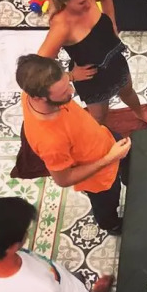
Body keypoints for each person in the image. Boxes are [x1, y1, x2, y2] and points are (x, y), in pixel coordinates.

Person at [16, 54, 130, 233]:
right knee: (107, 203)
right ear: (39, 98)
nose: (71, 91)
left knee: (130, 162)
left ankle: (130, 180)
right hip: (99, 176)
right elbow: (63, 179)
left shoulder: (31, 88)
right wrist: (110, 158)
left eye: (67, 84)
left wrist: (72, 75)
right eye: (63, 92)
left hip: (104, 139)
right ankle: (112, 225)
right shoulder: (51, 141)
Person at [37, 0, 147, 127]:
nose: (89, 3)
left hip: (114, 60)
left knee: (128, 91)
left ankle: (140, 113)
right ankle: (99, 137)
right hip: (91, 77)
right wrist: (70, 76)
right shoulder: (62, 27)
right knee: (99, 117)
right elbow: (39, 66)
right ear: (65, 2)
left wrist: (112, 23)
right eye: (81, 3)